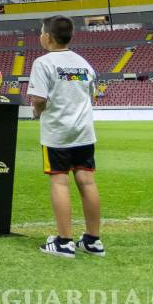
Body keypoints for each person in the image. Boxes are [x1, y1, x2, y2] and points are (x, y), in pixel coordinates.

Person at [28, 15, 103, 258]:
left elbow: (39, 99)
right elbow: (91, 94)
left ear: (47, 37)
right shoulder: (83, 63)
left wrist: (37, 113)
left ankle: (64, 241)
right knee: (87, 182)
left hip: (58, 133)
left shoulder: (43, 63)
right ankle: (92, 240)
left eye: (41, 32)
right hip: (83, 132)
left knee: (59, 181)